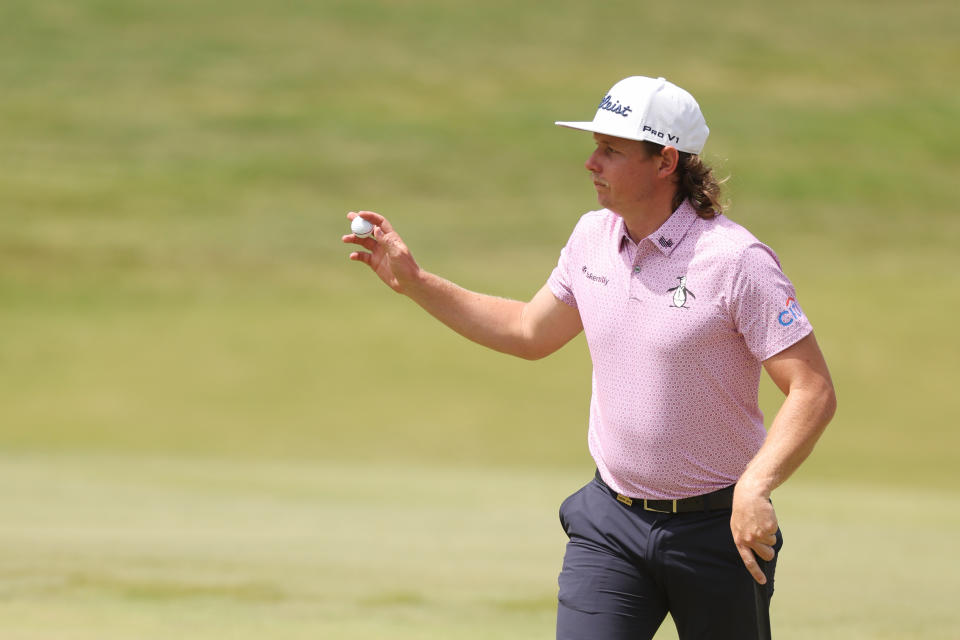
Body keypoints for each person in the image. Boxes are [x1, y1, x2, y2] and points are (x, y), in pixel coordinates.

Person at [341, 75, 836, 640]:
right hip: (611, 525)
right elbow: (529, 332)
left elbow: (812, 389)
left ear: (665, 160)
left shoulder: (736, 261)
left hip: (717, 532)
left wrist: (755, 487)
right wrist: (416, 282)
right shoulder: (591, 238)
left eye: (611, 150)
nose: (590, 163)